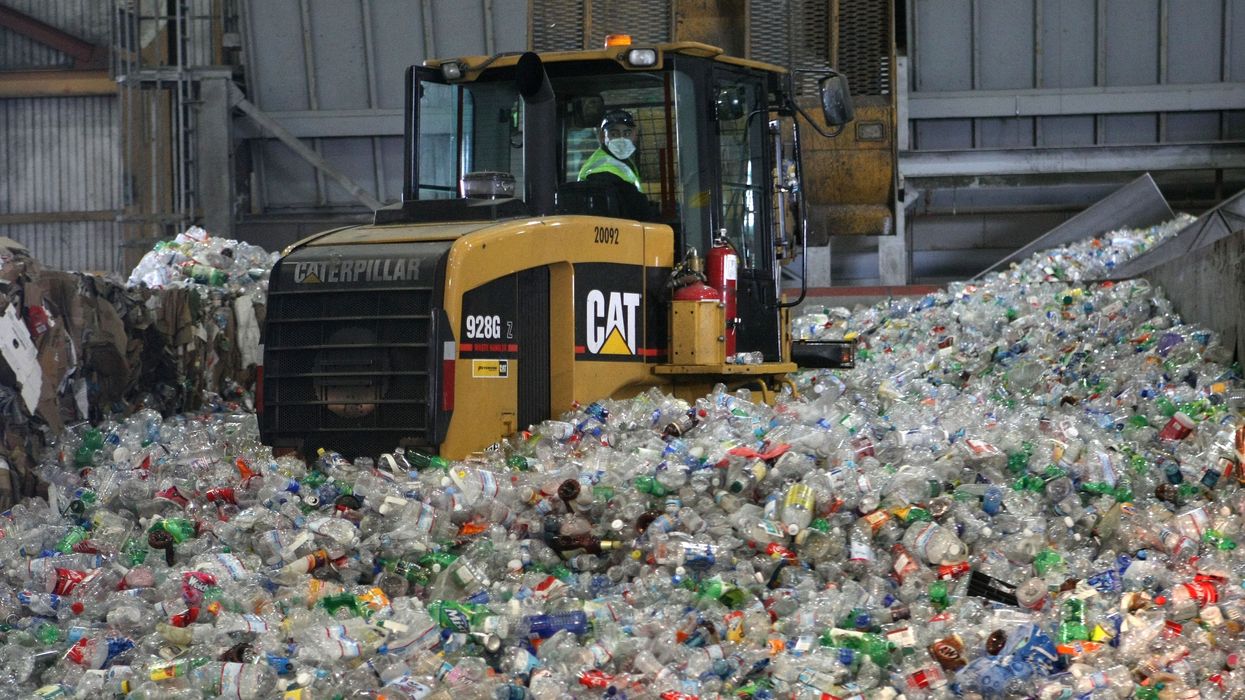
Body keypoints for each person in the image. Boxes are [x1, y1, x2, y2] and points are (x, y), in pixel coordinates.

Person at [578, 109, 642, 190]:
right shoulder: (602, 173)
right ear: (602, 136)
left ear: (635, 135)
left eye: (627, 133)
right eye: (614, 134)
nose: (622, 139)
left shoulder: (622, 159)